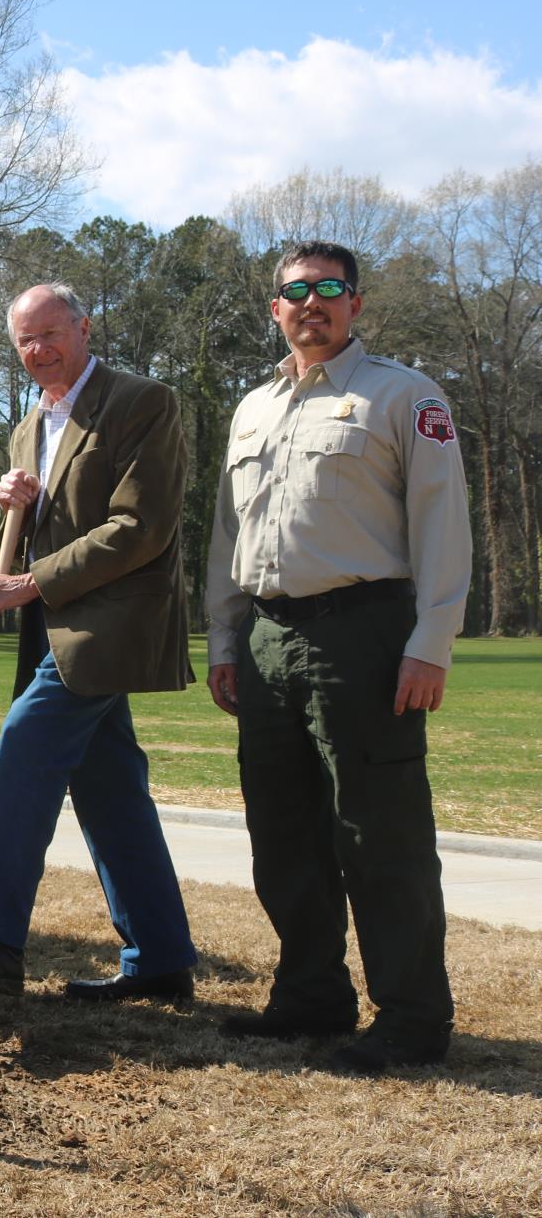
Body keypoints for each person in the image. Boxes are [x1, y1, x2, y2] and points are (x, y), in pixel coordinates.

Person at [207, 241, 471, 1075]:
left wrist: (430, 641)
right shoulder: (252, 409)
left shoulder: (403, 395)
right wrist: (224, 639)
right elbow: (228, 537)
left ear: (356, 303)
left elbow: (441, 522)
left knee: (378, 828)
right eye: (295, 292)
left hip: (364, 631)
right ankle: (310, 992)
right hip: (265, 636)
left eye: (328, 289)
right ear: (274, 308)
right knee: (281, 827)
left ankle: (412, 1015)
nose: (310, 303)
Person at [0, 283, 199, 1004]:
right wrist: (17, 505)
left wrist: (29, 581)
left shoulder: (143, 401)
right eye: (24, 341)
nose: (38, 350)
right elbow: (50, 522)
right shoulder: (29, 427)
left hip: (113, 624)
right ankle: (162, 955)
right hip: (55, 625)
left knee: (24, 744)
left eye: (50, 333)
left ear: (84, 326)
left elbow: (140, 529)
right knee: (110, 789)